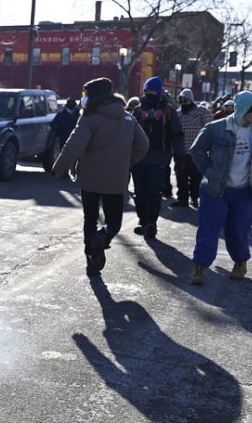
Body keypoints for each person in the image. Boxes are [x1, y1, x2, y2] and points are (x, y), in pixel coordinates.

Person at [51, 78, 149, 276]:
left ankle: (91, 256)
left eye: (86, 94)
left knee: (90, 219)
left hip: (90, 178)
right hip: (116, 179)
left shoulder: (89, 118)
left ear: (93, 96)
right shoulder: (128, 118)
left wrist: (58, 168)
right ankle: (102, 238)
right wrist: (125, 163)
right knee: (114, 221)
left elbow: (73, 146)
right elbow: (143, 145)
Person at [188, 91, 252, 285]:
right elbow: (196, 150)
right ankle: (200, 267)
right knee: (209, 228)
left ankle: (240, 263)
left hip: (245, 191)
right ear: (243, 109)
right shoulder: (215, 128)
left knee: (238, 230)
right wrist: (210, 171)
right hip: (215, 190)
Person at [130, 76, 185, 238]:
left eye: (153, 91)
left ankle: (151, 223)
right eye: (147, 91)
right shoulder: (138, 111)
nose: (149, 94)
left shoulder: (169, 111)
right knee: (139, 192)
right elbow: (129, 134)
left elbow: (177, 135)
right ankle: (143, 220)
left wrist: (179, 156)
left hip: (160, 158)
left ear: (160, 92)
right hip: (138, 159)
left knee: (153, 192)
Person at [173, 88, 213, 208]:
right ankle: (182, 199)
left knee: (196, 177)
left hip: (196, 152)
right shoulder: (178, 113)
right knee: (181, 177)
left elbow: (209, 129)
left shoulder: (202, 112)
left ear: (191, 100)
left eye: (185, 100)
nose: (183, 103)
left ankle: (195, 197)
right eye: (181, 101)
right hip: (180, 151)